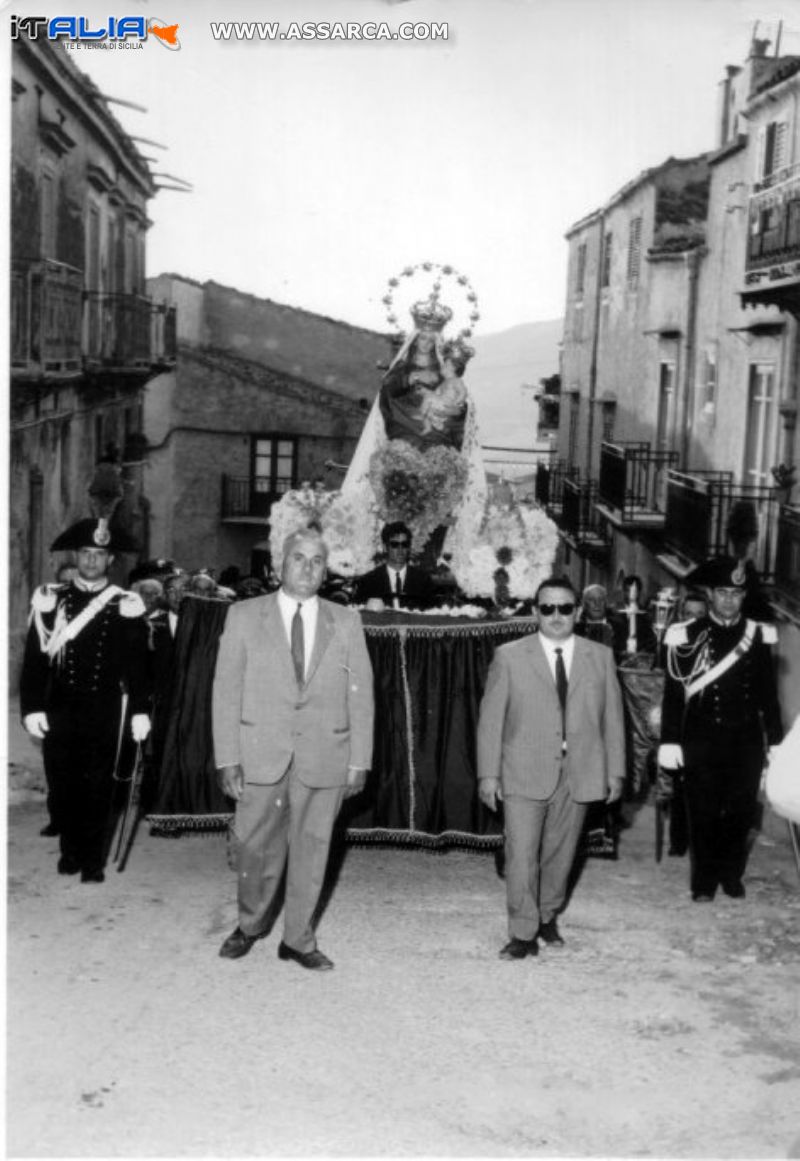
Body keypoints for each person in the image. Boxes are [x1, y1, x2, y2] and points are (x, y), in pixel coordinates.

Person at [212, 528, 374, 970]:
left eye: (317, 561)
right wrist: (228, 756)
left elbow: (361, 696)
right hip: (260, 751)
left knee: (313, 848)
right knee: (253, 846)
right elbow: (225, 690)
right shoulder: (244, 616)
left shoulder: (346, 621)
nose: (307, 568)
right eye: (298, 558)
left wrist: (359, 760)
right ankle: (250, 924)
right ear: (278, 566)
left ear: (326, 570)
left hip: (325, 754)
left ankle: (299, 939)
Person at [477, 575, 626, 958]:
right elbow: (491, 720)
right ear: (535, 612)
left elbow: (613, 719)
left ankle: (546, 915)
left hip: (580, 770)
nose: (556, 616)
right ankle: (522, 931)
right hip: (522, 769)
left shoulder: (600, 656)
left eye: (564, 608)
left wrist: (615, 771)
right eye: (547, 608)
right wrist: (488, 774)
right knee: (521, 853)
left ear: (577, 611)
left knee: (561, 852)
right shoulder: (510, 656)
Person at [20, 518, 151, 883]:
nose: (92, 561)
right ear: (76, 556)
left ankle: (91, 861)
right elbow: (36, 659)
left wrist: (140, 710)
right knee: (63, 785)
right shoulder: (51, 598)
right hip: (61, 707)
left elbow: (138, 665)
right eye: (86, 553)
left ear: (110, 560)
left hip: (106, 707)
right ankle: (70, 851)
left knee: (99, 787)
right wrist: (31, 707)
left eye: (100, 554)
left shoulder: (126, 603)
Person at [658, 555, 783, 901]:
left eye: (737, 594)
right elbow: (673, 696)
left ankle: (731, 874)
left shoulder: (758, 636)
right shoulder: (686, 635)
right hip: (701, 737)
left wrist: (775, 741)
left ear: (744, 597)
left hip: (745, 740)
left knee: (741, 810)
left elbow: (768, 694)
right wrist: (670, 741)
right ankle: (703, 881)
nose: (730, 600)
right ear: (710, 594)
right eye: (723, 592)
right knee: (703, 810)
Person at [352, 521, 437, 610]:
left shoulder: (423, 581)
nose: (400, 549)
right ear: (385, 547)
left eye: (404, 544)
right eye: (394, 544)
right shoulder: (368, 582)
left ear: (409, 547)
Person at [612, 574, 657, 661]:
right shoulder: (613, 613)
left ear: (639, 592)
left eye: (634, 591)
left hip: (639, 661)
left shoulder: (646, 616)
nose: (630, 595)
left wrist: (641, 655)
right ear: (623, 591)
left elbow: (650, 642)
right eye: (627, 591)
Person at [576, 583, 614, 649]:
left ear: (606, 603)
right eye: (591, 599)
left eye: (601, 600)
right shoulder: (575, 630)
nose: (597, 603)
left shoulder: (619, 627)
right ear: (584, 604)